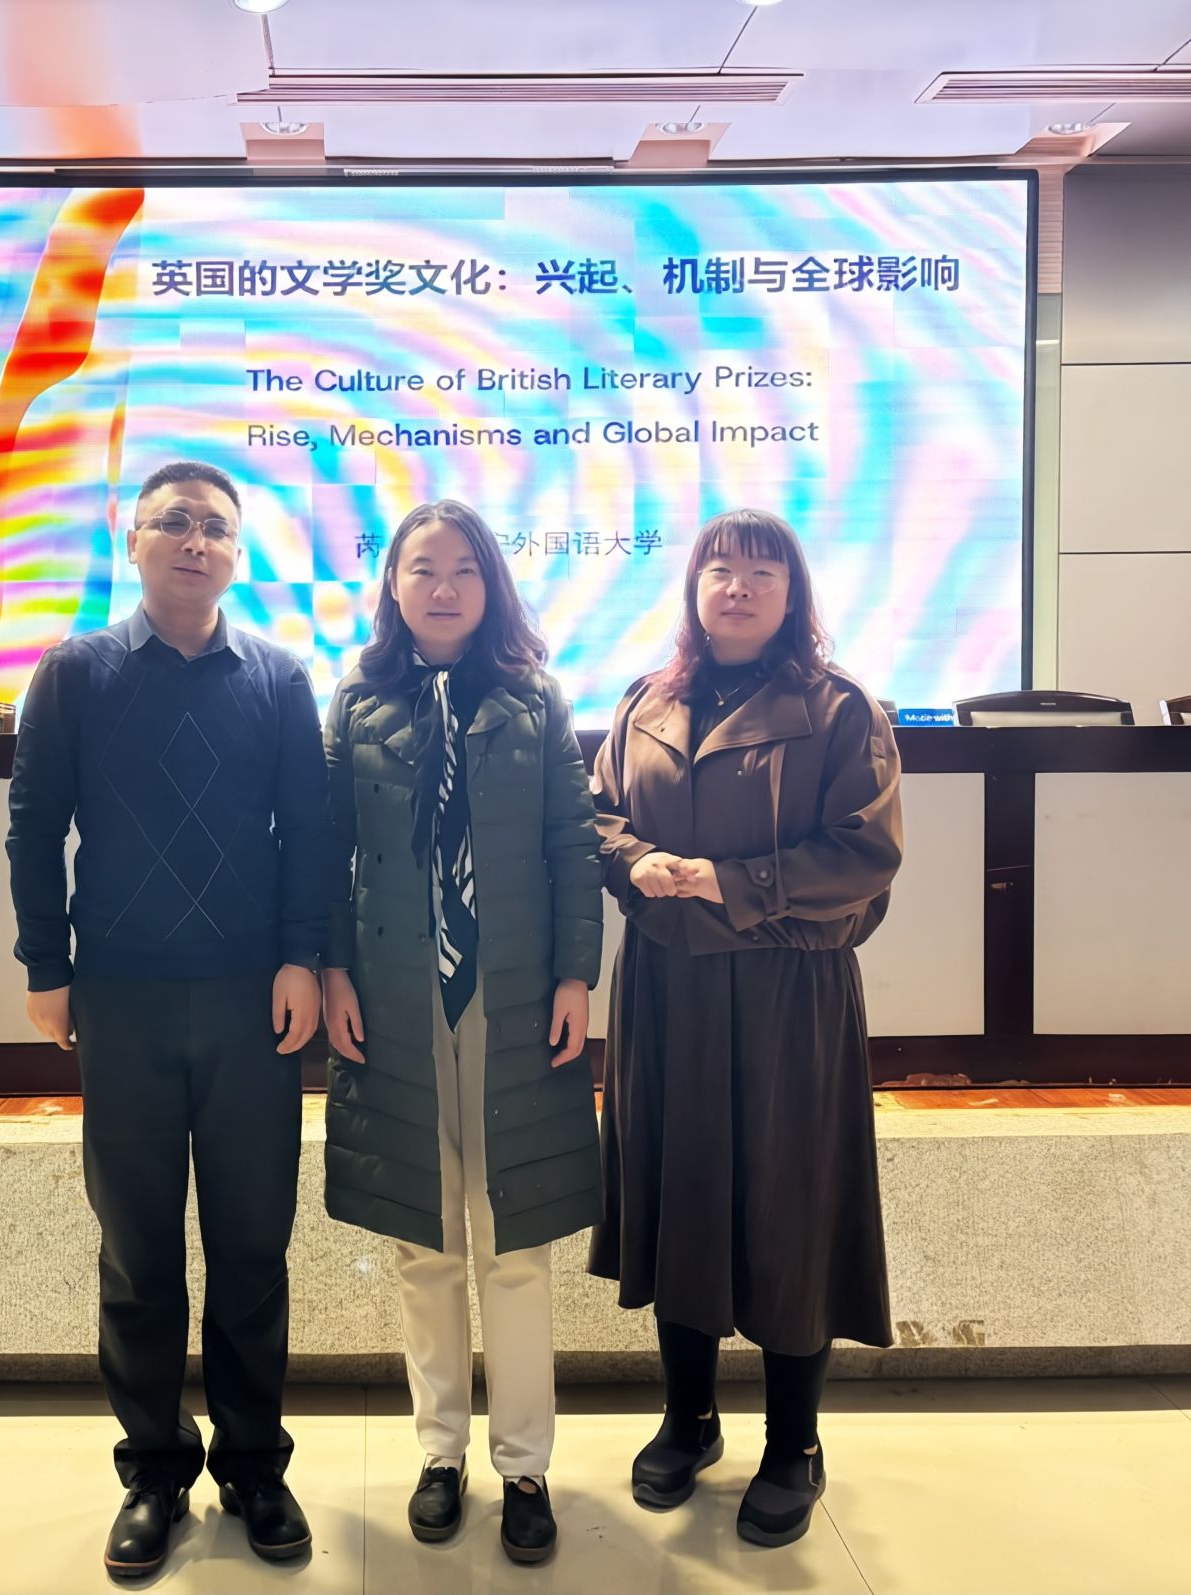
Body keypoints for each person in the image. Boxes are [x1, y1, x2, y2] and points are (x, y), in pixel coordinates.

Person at [7, 461, 331, 1580]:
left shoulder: (278, 676)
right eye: (176, 523)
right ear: (133, 537)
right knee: (138, 1248)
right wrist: (45, 965)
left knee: (252, 1244)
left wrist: (301, 956)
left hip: (251, 1002)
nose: (197, 542)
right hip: (123, 997)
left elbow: (309, 831)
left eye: (217, 529)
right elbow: (33, 823)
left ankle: (253, 1464)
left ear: (237, 554)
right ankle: (152, 1470)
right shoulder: (75, 671)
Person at [589, 507, 902, 1548]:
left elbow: (863, 855)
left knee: (787, 1205)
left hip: (786, 992)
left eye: (762, 572)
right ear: (692, 586)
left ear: (792, 592)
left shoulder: (840, 708)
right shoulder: (645, 700)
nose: (737, 586)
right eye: (719, 568)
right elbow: (594, 814)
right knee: (677, 1192)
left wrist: (731, 882)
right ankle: (687, 1418)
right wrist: (635, 858)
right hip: (666, 988)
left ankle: (792, 1442)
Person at [320, 499, 603, 1566]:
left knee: (515, 1239)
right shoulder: (355, 699)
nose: (442, 587)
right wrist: (333, 968)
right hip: (393, 996)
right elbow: (326, 849)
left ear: (491, 585)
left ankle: (524, 1463)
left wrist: (576, 973)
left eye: (463, 569)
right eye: (421, 567)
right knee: (424, 1238)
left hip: (514, 992)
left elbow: (572, 842)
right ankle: (438, 1452)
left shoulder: (535, 697)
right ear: (391, 583)